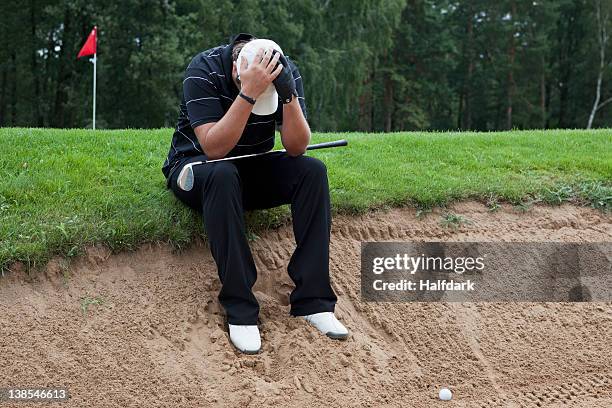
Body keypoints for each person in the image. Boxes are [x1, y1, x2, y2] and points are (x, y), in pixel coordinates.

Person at [161, 33, 348, 354]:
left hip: (250, 167)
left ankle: (314, 302)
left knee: (312, 171)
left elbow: (296, 146)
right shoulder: (203, 69)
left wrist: (287, 94)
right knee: (221, 173)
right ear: (236, 68)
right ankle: (241, 308)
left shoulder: (283, 68)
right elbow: (214, 148)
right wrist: (249, 94)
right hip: (196, 170)